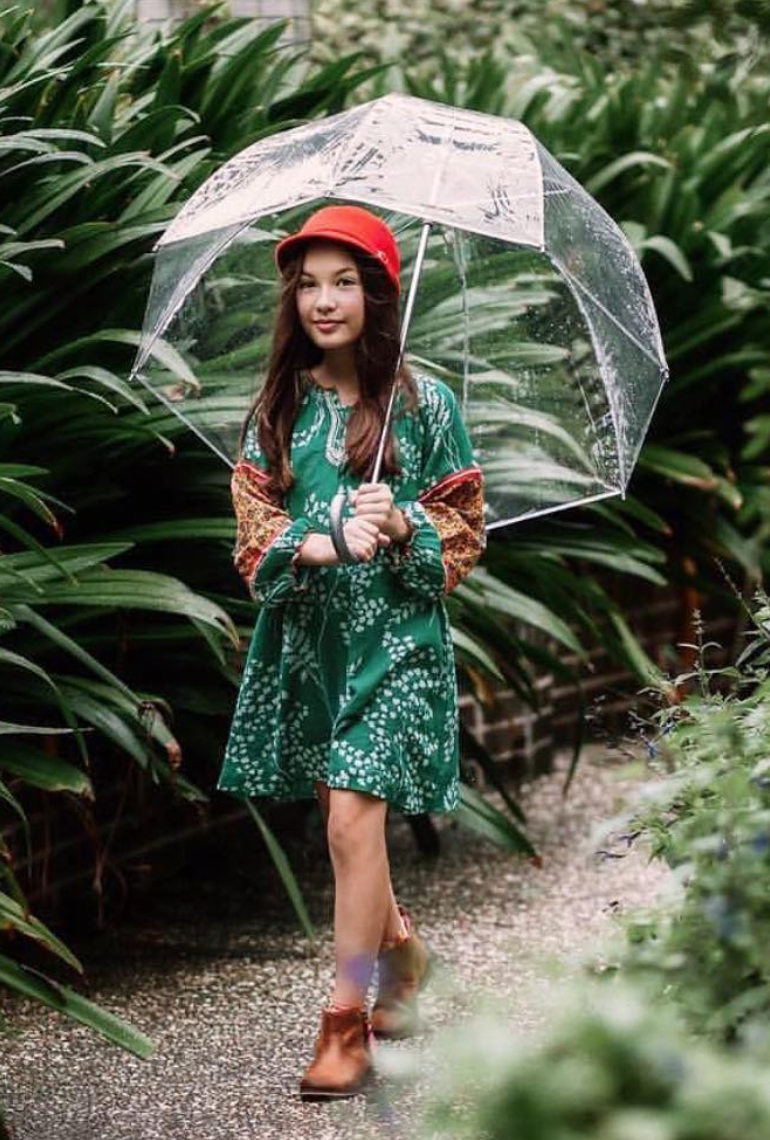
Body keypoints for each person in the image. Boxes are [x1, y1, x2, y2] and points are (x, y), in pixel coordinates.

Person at [215, 204, 486, 1101]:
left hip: (399, 647)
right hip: (313, 649)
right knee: (344, 820)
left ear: (377, 295)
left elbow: (465, 534)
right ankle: (403, 956)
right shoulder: (279, 410)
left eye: (344, 283)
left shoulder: (426, 405)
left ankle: (348, 1019)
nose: (324, 301)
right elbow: (254, 540)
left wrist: (407, 525)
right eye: (308, 285)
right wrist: (322, 542)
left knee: (347, 820)